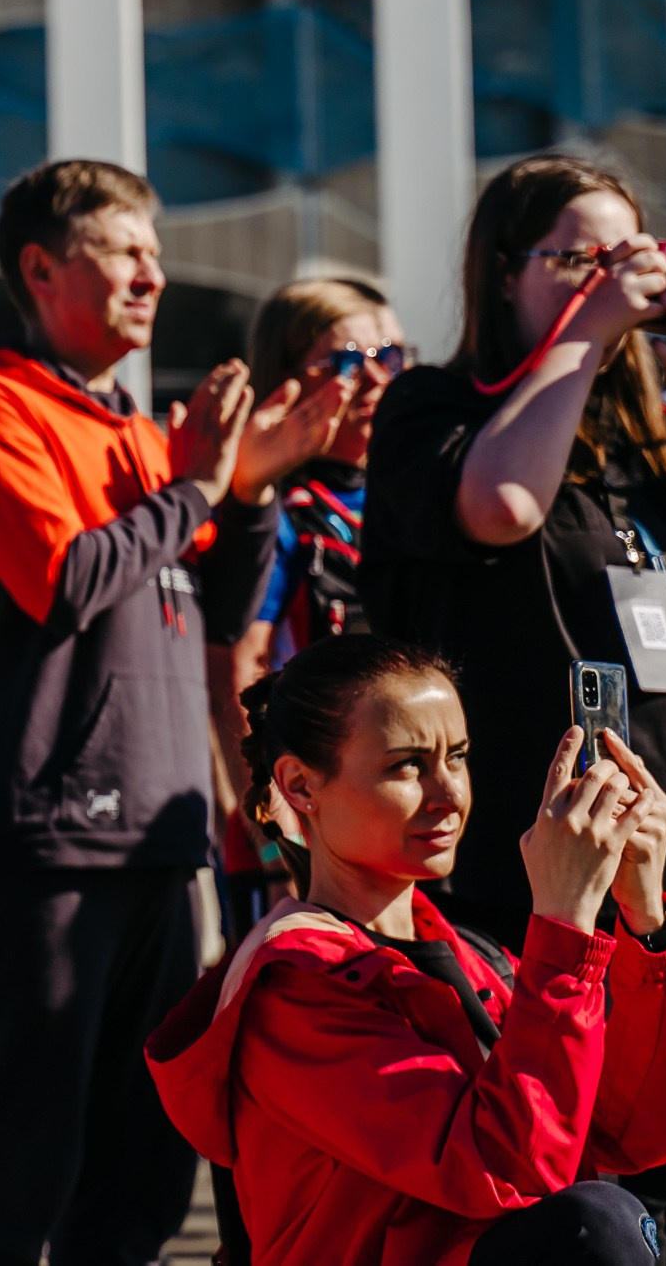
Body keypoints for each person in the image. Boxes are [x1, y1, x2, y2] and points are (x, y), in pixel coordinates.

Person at [358, 153, 666, 1257]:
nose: (613, 278)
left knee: (645, 1162)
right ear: (503, 273)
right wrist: (591, 322)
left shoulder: (659, 439)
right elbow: (504, 504)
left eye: (624, 254)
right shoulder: (436, 409)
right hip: (522, 878)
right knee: (541, 1173)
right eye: (576, 256)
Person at [0, 159, 284, 1266]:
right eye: (125, 251)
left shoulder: (137, 428)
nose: (153, 275)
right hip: (50, 838)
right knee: (18, 1165)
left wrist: (250, 489)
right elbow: (67, 581)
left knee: (143, 1171)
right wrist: (197, 489)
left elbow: (215, 601)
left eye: (155, 254)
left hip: (163, 840)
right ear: (42, 268)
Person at [145, 635, 666, 1266]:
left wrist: (646, 923)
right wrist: (565, 920)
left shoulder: (465, 951)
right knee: (595, 1229)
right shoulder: (294, 988)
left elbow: (637, 1134)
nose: (449, 794)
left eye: (458, 757)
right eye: (406, 766)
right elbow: (500, 1167)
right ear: (300, 786)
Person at [209, 278, 395, 953]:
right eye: (347, 360)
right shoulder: (272, 510)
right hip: (302, 830)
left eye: (391, 355)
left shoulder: (414, 493)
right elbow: (234, 662)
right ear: (286, 380)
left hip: (398, 816)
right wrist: (272, 828)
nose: (375, 376)